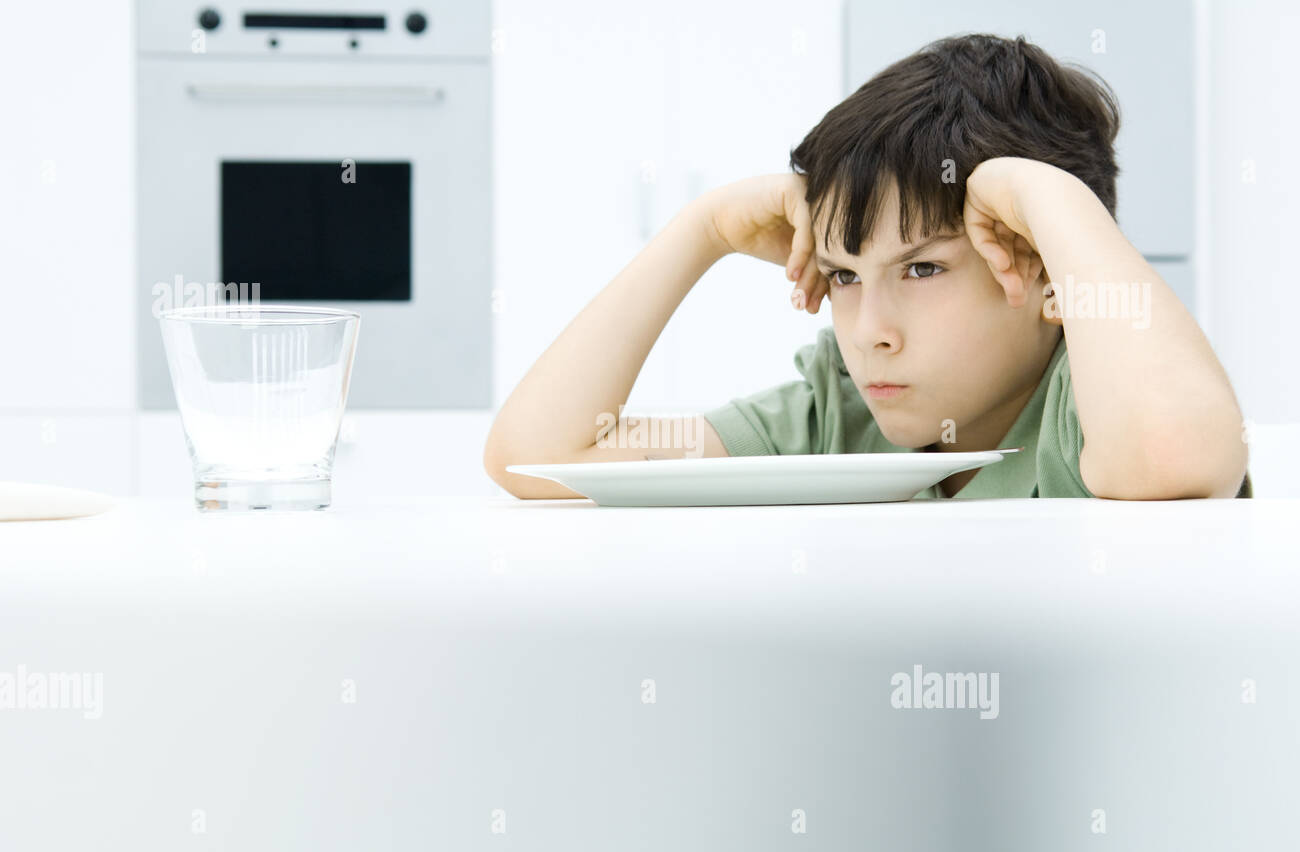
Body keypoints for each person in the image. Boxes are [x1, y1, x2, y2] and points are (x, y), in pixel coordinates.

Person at [484, 33, 1251, 501]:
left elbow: (1174, 454)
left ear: (1050, 274)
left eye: (921, 271)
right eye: (844, 276)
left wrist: (1046, 195)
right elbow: (538, 458)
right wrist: (701, 229)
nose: (870, 335)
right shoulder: (840, 411)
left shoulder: (1096, 406)